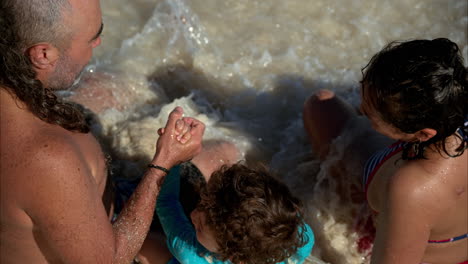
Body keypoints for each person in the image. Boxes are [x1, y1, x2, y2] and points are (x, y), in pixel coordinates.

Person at [0, 1, 204, 263]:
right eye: (93, 37)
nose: (98, 44)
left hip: (76, 207)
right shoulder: (48, 158)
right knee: (219, 154)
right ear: (42, 54)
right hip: (106, 245)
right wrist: (163, 163)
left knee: (104, 86)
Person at [303, 38, 467, 264]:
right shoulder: (455, 98)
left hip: (410, 248)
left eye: (370, 115)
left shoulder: (413, 189)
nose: (361, 109)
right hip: (441, 225)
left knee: (320, 105)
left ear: (423, 134)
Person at [156, 154, 315, 263]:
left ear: (231, 256)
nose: (192, 214)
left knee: (148, 244)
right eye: (202, 203)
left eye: (200, 228)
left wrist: (173, 160)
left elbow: (165, 202)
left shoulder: (190, 254)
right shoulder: (300, 241)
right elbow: (292, 217)